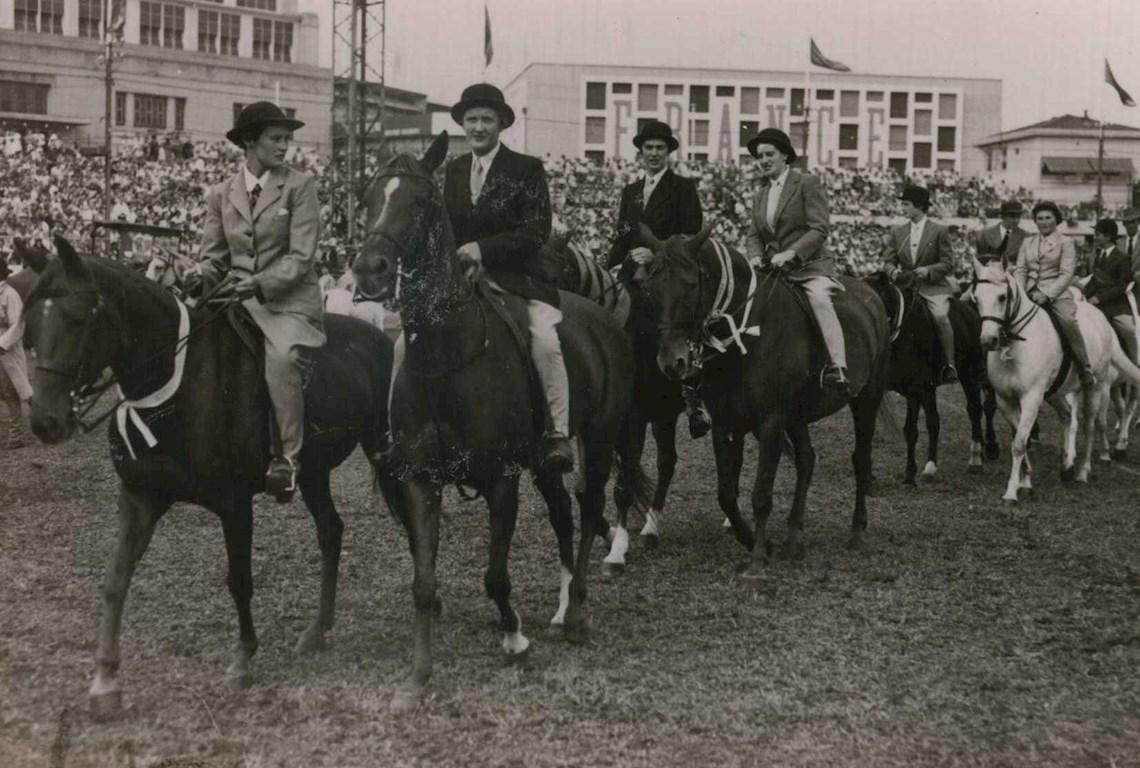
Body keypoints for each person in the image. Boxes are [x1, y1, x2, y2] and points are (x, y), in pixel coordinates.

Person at [430, 82, 571, 472]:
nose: (478, 127)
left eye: (486, 119)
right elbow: (448, 227)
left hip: (518, 278)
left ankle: (558, 431)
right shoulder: (455, 170)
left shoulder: (525, 168)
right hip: (463, 279)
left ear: (501, 124)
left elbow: (535, 230)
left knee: (545, 341)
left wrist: (483, 249)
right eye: (471, 119)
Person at [193, 101, 325, 499]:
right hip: (234, 297)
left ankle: (287, 459)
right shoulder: (221, 193)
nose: (285, 146)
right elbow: (213, 257)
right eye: (276, 138)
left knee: (282, 359)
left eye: (288, 139)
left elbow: (301, 259)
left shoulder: (300, 186)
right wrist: (197, 274)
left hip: (286, 302)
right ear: (250, 141)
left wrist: (259, 284)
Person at [606, 119, 710, 438]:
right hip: (633, 269)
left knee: (680, 321)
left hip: (668, 272)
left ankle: (694, 399)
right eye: (648, 148)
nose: (653, 153)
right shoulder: (631, 191)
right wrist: (609, 266)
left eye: (660, 148)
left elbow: (690, 235)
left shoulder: (682, 188)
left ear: (668, 152)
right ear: (640, 152)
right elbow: (623, 235)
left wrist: (655, 255)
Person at [744, 127, 848, 393]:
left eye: (769, 154)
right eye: (759, 156)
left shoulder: (806, 183)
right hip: (773, 269)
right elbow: (754, 234)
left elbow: (819, 228)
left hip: (808, 265)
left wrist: (792, 252)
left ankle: (837, 365)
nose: (764, 160)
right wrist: (755, 255)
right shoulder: (760, 194)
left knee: (819, 299)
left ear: (785, 156)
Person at [882, 186, 959, 384]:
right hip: (905, 286)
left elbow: (949, 263)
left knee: (940, 316)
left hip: (933, 287)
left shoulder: (940, 231)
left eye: (906, 204)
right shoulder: (898, 231)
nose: (903, 208)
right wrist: (893, 271)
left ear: (919, 206)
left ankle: (950, 364)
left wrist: (928, 271)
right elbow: (888, 261)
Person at [1013, 201, 1094, 387]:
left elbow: (1066, 274)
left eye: (1048, 218)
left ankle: (1084, 366)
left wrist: (1047, 295)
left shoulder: (1066, 242)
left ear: (1056, 219)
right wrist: (1020, 292)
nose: (1043, 222)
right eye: (1040, 218)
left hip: (1056, 292)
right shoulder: (1028, 242)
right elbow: (1020, 270)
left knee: (1068, 320)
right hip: (1029, 291)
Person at [1083, 218, 1138, 361]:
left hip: (1115, 306)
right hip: (1096, 304)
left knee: (1130, 330)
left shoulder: (1123, 258)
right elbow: (1094, 280)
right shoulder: (1097, 256)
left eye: (1098, 235)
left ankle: (1137, 362)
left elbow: (1121, 286)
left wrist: (1099, 298)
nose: (1095, 238)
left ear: (1108, 237)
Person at [0, 258, 33, 449]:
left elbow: (19, 323)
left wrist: (3, 343)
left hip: (7, 347)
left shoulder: (9, 294)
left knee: (13, 390)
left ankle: (15, 435)